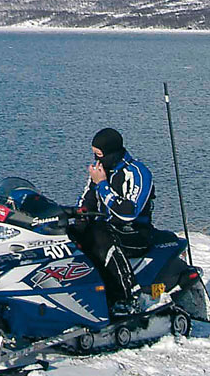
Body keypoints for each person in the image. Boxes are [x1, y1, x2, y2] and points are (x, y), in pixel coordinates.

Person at [74, 128, 157, 316]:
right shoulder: (101, 171)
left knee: (100, 234)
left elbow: (128, 213)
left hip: (135, 232)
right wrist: (75, 221)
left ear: (111, 152)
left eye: (99, 155)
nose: (96, 160)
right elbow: (87, 201)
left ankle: (128, 296)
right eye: (94, 154)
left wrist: (103, 185)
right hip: (106, 228)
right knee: (74, 234)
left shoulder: (138, 173)